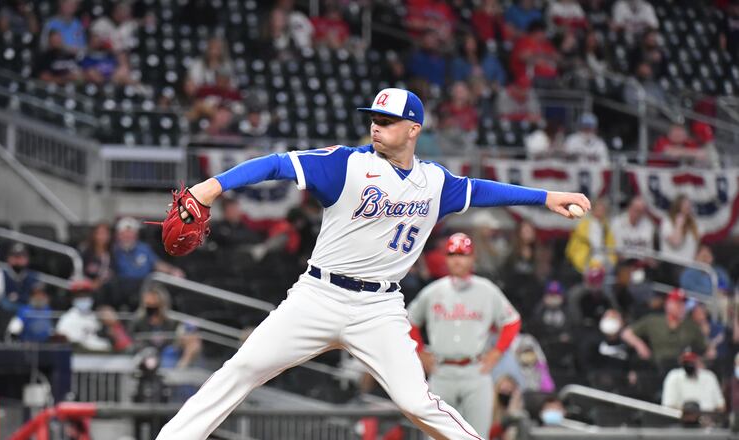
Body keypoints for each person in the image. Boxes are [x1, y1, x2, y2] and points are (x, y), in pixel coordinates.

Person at [154, 87, 590, 439]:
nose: (375, 128)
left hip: (378, 308)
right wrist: (210, 187)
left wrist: (547, 197)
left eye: (386, 121)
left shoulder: (434, 181)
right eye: (373, 119)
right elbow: (276, 164)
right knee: (242, 370)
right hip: (318, 296)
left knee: (417, 402)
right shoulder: (347, 164)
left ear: (413, 129)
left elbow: (486, 190)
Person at [406, 233, 522, 436]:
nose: (457, 259)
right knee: (435, 436)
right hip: (441, 372)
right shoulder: (433, 291)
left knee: (476, 435)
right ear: (446, 258)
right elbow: (408, 321)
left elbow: (512, 321)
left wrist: (497, 352)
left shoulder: (487, 290)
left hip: (475, 372)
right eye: (452, 254)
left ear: (472, 258)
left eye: (462, 254)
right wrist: (419, 351)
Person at [621, 289, 706, 370]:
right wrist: (639, 344)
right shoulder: (654, 320)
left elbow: (705, 349)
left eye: (683, 304)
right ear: (668, 304)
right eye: (677, 303)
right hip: (656, 365)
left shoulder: (691, 325)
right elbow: (626, 333)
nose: (681, 307)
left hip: (680, 367)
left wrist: (698, 359)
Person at [112, 217, 184, 309]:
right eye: (124, 233)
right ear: (118, 235)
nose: (128, 236)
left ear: (136, 235)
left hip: (145, 286)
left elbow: (156, 264)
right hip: (123, 288)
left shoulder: (143, 248)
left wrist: (173, 270)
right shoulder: (113, 250)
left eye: (131, 233)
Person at [129, 285, 201, 369]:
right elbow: (131, 342)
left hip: (168, 354)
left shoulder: (172, 322)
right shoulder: (138, 321)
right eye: (149, 305)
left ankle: (181, 370)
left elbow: (184, 331)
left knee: (192, 339)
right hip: (146, 356)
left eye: (155, 305)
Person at [565, 198, 616, 274]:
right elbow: (575, 246)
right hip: (584, 263)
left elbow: (611, 247)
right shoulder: (583, 225)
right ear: (593, 210)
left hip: (603, 265)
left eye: (602, 210)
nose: (600, 212)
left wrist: (610, 262)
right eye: (598, 209)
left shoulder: (606, 227)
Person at [56, 283, 112, 352]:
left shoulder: (95, 316)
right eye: (80, 297)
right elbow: (64, 341)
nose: (83, 299)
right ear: (73, 298)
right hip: (78, 355)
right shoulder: (67, 318)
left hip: (99, 355)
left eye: (86, 296)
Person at [610, 195, 655, 259]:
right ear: (630, 208)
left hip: (642, 263)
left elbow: (649, 252)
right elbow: (616, 251)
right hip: (622, 262)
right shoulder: (617, 223)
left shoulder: (648, 225)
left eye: (641, 211)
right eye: (636, 210)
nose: (638, 214)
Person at [0, 243, 40, 312]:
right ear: (8, 258)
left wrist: (19, 297)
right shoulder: (1, 274)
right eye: (15, 256)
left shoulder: (31, 275)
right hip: (5, 310)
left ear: (27, 259)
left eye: (21, 257)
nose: (18, 260)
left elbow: (35, 295)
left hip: (25, 309)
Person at [659, 195, 699, 262]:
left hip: (689, 264)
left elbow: (696, 246)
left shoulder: (693, 224)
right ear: (678, 205)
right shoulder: (667, 222)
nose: (688, 206)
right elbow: (676, 242)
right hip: (671, 263)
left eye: (689, 204)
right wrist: (678, 225)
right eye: (685, 204)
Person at [79, 222, 114, 290]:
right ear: (94, 235)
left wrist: (100, 282)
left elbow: (112, 275)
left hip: (105, 290)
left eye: (105, 234)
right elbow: (78, 272)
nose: (102, 237)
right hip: (85, 288)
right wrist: (90, 283)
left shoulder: (112, 253)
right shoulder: (85, 252)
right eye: (99, 233)